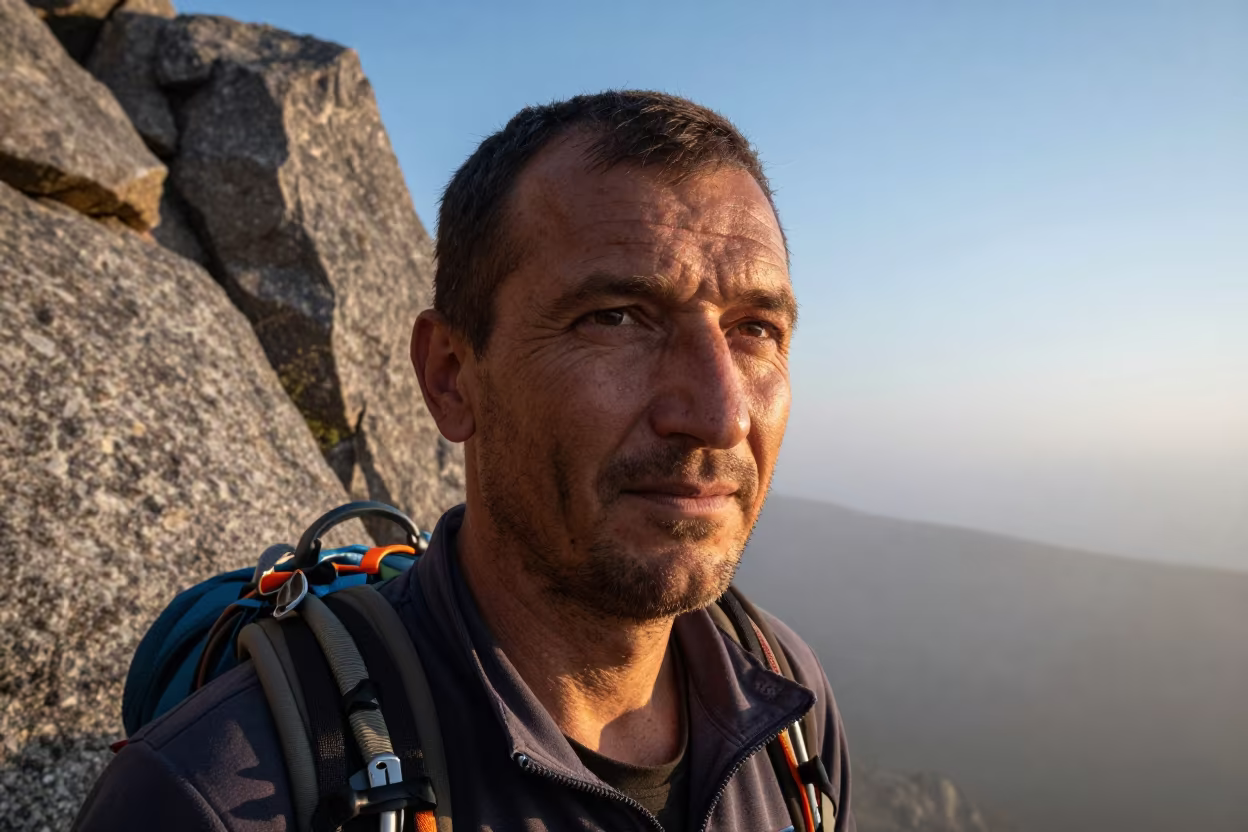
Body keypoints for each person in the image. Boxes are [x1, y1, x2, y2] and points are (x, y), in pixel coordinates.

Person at [72, 90, 855, 832]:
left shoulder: (789, 704)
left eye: (756, 330)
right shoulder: (210, 797)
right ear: (450, 376)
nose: (720, 415)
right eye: (615, 317)